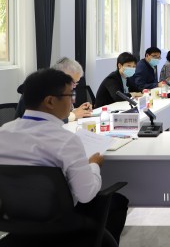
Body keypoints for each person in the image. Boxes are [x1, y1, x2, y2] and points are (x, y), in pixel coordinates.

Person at [0, 69, 129, 244]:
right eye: (70, 95)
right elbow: (86, 195)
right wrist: (94, 165)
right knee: (116, 201)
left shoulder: (3, 132)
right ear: (50, 101)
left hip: (16, 222)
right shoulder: (66, 141)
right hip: (62, 225)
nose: (74, 101)